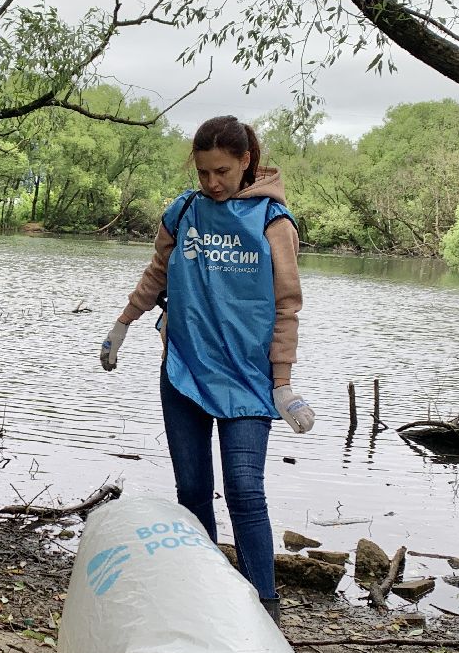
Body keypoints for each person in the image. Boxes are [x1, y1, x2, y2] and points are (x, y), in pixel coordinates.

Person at [100, 115, 314, 625]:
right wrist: (124, 322)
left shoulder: (272, 221)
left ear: (246, 162)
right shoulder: (185, 211)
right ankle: (202, 593)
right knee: (191, 491)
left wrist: (282, 382)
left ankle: (266, 607)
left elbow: (287, 305)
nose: (213, 183)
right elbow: (156, 273)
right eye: (203, 173)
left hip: (248, 377)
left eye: (221, 170)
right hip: (185, 370)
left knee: (244, 489)